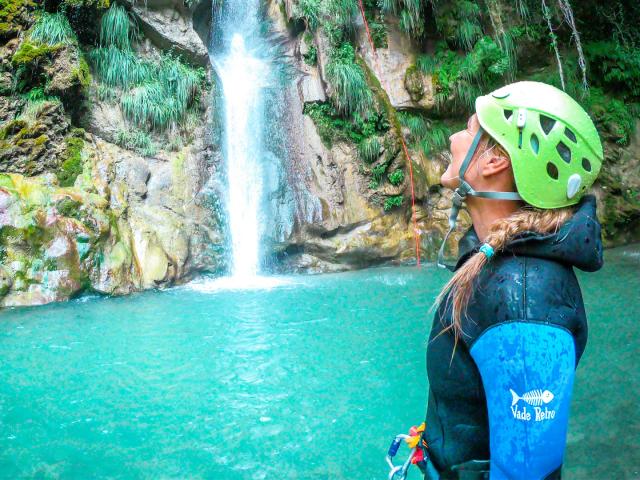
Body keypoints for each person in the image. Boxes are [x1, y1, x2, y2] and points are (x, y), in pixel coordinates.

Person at [420, 81, 605, 480]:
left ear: (495, 161)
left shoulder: (523, 299)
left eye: (470, 129)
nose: (454, 137)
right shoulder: (496, 259)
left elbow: (525, 473)